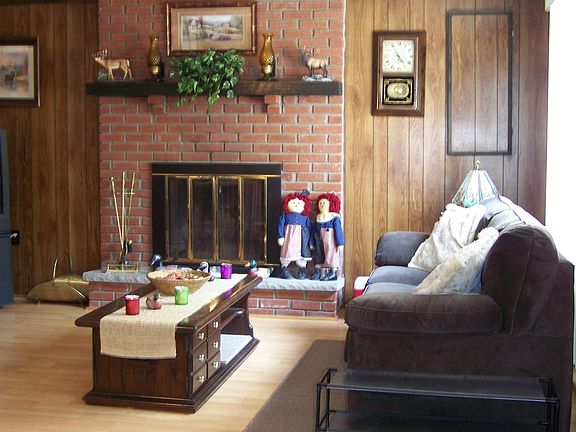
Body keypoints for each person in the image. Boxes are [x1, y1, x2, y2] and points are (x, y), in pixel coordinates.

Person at [277, 190, 313, 279]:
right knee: (287, 251)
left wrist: (311, 242)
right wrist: (280, 236)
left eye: (298, 203)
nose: (296, 204)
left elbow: (311, 230)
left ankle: (302, 270)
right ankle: (285, 269)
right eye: (293, 202)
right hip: (289, 238)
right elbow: (280, 226)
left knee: (302, 253)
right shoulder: (285, 217)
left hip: (302, 239)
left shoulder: (306, 218)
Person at [311, 193, 344, 281]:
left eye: (324, 203)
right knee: (318, 254)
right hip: (319, 240)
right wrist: (312, 243)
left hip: (330, 241)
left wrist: (340, 243)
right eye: (320, 203)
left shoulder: (334, 219)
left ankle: (332, 272)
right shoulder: (317, 218)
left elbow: (338, 231)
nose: (322, 205)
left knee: (331, 254)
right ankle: (317, 270)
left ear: (330, 205)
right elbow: (313, 231)